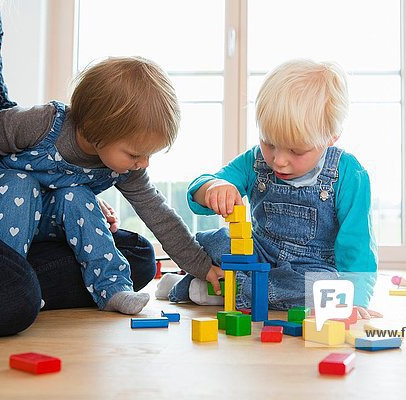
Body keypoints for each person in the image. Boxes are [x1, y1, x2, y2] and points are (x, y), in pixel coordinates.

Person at [0, 0, 160, 338]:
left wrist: (64, 184)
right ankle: (12, 286)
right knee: (15, 191)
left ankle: (17, 286)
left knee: (138, 254)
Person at [0, 56, 221, 315]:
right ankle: (6, 284)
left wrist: (201, 266)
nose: (144, 163)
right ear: (95, 128)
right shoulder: (40, 123)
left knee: (78, 196)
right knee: (19, 184)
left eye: (149, 155)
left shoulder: (127, 169)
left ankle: (112, 289)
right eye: (135, 154)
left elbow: (159, 214)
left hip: (45, 221)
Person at [156, 59, 380, 319]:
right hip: (256, 252)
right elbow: (197, 193)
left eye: (296, 150)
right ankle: (228, 287)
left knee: (322, 291)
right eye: (269, 143)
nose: (278, 160)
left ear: (331, 137)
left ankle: (207, 289)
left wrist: (357, 299)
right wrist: (213, 188)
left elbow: (357, 245)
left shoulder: (348, 174)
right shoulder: (254, 161)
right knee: (214, 241)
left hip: (309, 268)